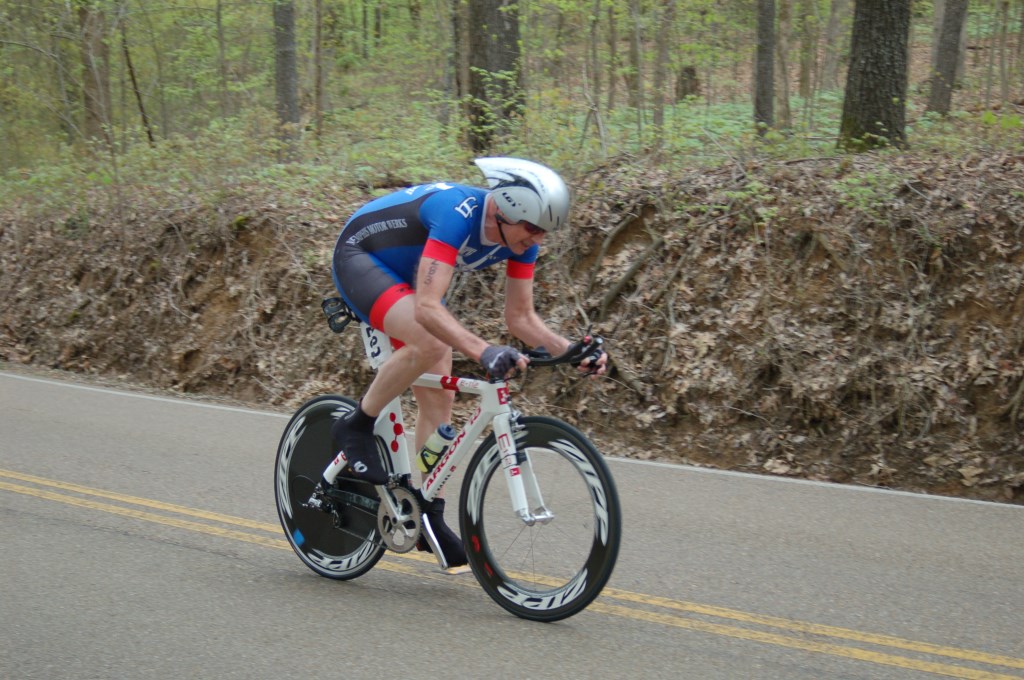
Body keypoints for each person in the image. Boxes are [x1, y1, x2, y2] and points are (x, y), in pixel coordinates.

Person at [329, 157, 608, 567]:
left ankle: (428, 512)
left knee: (440, 402)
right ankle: (356, 425)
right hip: (361, 256)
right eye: (532, 228)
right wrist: (483, 351)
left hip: (410, 277)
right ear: (506, 210)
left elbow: (520, 318)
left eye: (545, 232)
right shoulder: (456, 213)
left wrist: (569, 351)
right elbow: (427, 307)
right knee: (431, 340)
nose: (537, 239)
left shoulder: (521, 239)